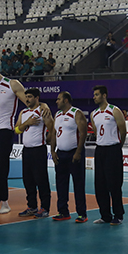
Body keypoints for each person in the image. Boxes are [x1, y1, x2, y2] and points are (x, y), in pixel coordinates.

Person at [0, 58, 27, 214]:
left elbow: (29, 102)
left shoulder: (12, 84)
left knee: (2, 167)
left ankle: (2, 202)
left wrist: (24, 118)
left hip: (5, 130)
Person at [91, 85, 127, 225]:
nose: (94, 97)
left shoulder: (114, 110)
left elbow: (123, 131)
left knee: (114, 184)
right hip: (100, 150)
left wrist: (117, 146)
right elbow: (95, 131)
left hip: (113, 149)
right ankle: (105, 215)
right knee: (100, 185)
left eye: (97, 94)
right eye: (94, 94)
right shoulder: (94, 114)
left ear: (104, 95)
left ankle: (118, 214)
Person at [15, 88, 53, 219]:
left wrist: (48, 141)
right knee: (28, 180)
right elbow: (17, 130)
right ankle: (32, 206)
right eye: (26, 97)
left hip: (38, 150)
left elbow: (52, 128)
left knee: (41, 180)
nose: (27, 99)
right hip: (26, 150)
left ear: (37, 98)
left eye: (30, 97)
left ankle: (45, 208)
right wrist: (27, 123)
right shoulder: (23, 112)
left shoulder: (43, 111)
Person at [50, 91, 88, 223]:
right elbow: (54, 134)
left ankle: (82, 213)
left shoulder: (76, 113)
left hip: (74, 153)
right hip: (60, 153)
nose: (56, 101)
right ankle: (63, 211)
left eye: (58, 99)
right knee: (61, 184)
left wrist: (78, 152)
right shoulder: (58, 114)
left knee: (78, 183)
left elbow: (83, 133)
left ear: (66, 100)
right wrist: (52, 151)